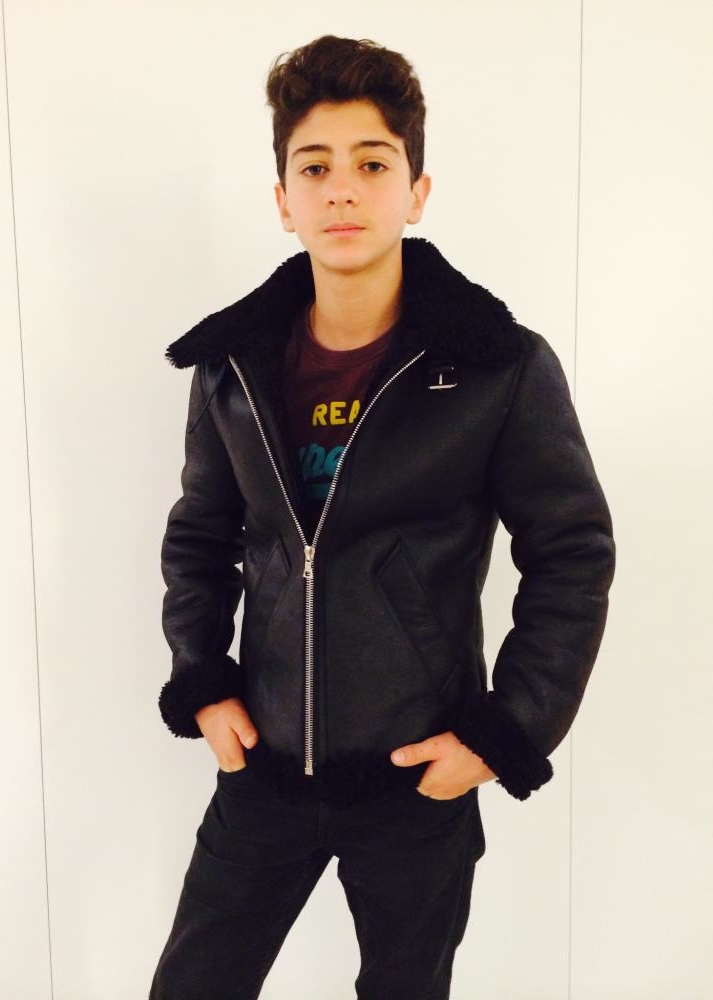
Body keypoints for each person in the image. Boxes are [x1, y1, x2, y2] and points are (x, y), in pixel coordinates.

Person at [148, 34, 616, 1000]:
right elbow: (200, 534)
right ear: (283, 200)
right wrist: (201, 676)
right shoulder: (233, 367)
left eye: (372, 164)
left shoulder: (497, 366)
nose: (342, 191)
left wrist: (505, 729)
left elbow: (572, 553)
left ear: (417, 191)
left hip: (416, 779)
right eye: (314, 167)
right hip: (264, 771)